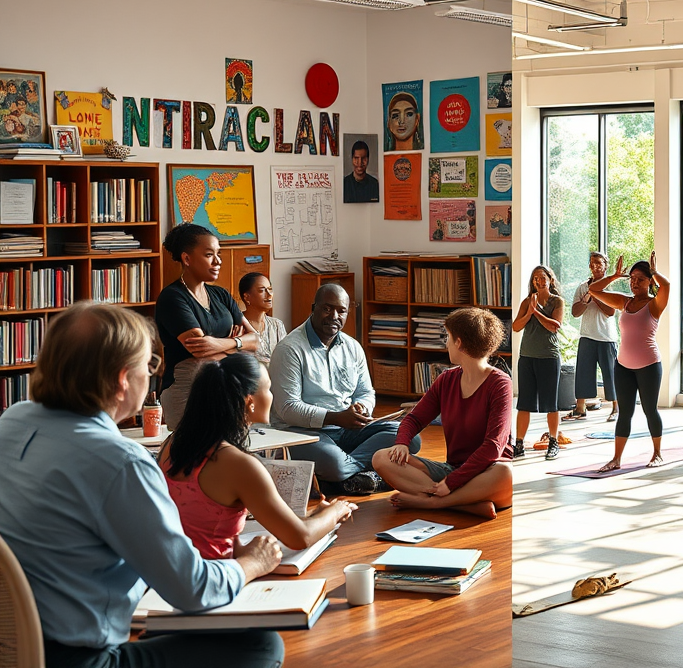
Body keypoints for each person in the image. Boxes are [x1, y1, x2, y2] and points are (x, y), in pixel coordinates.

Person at [0, 302, 284, 668]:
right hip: (73, 658)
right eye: (150, 364)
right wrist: (251, 563)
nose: (151, 374)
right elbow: (193, 590)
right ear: (122, 379)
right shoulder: (120, 462)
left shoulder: (12, 420)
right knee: (260, 645)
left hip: (12, 644)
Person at [161, 352, 356, 559]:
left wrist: (315, 518)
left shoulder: (172, 444)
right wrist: (336, 511)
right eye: (269, 389)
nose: (272, 396)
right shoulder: (238, 464)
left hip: (173, 569)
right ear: (249, 402)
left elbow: (201, 524)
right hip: (217, 577)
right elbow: (300, 537)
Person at [269, 283, 421, 495]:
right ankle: (371, 474)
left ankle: (345, 479)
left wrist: (362, 408)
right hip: (305, 433)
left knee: (410, 436)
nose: (334, 316)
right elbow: (288, 408)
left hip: (348, 429)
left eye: (341, 311)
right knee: (335, 464)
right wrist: (335, 417)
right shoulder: (290, 349)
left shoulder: (352, 347)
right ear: (313, 308)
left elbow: (366, 392)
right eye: (327, 308)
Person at [373, 308, 513, 519]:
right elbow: (414, 418)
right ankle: (464, 504)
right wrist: (401, 443)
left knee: (506, 474)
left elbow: (493, 447)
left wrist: (451, 483)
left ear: (459, 342)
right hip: (453, 470)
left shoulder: (500, 384)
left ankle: (431, 503)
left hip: (487, 473)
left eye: (447, 337)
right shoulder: (447, 379)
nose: (445, 343)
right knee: (382, 458)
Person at [156, 223, 257, 430]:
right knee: (198, 458)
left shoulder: (221, 295)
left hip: (225, 385)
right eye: (209, 255)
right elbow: (200, 349)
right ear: (187, 259)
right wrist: (238, 346)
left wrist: (227, 343)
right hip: (188, 389)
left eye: (218, 254)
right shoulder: (172, 297)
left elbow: (255, 340)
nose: (218, 261)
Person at [589, 253, 670, 472]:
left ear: (650, 282)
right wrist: (615, 275)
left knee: (649, 410)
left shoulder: (655, 304)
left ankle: (657, 453)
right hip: (623, 365)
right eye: (632, 278)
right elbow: (594, 290)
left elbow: (668, 286)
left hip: (649, 365)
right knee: (624, 412)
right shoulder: (624, 302)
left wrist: (654, 272)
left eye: (640, 279)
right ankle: (616, 458)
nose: (634, 282)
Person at [512, 265, 564, 461]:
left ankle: (553, 441)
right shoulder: (527, 301)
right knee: (524, 403)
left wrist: (536, 312)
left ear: (550, 279)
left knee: (551, 403)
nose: (540, 281)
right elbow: (517, 326)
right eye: (536, 278)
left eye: (543, 278)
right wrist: (529, 311)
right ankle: (519, 443)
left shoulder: (556, 301)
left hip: (548, 357)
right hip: (527, 357)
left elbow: (554, 326)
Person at [563, 252, 619, 423]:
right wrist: (586, 299)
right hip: (587, 335)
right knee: (583, 373)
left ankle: (617, 408)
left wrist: (595, 294)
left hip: (606, 337)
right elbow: (575, 312)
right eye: (592, 263)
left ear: (605, 266)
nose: (595, 266)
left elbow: (610, 311)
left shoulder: (609, 286)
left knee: (611, 374)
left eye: (599, 263)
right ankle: (580, 408)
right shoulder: (583, 286)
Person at [238, 272, 287, 368]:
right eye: (262, 290)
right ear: (247, 297)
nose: (269, 295)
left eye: (270, 289)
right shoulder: (237, 326)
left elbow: (285, 357)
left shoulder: (277, 325)